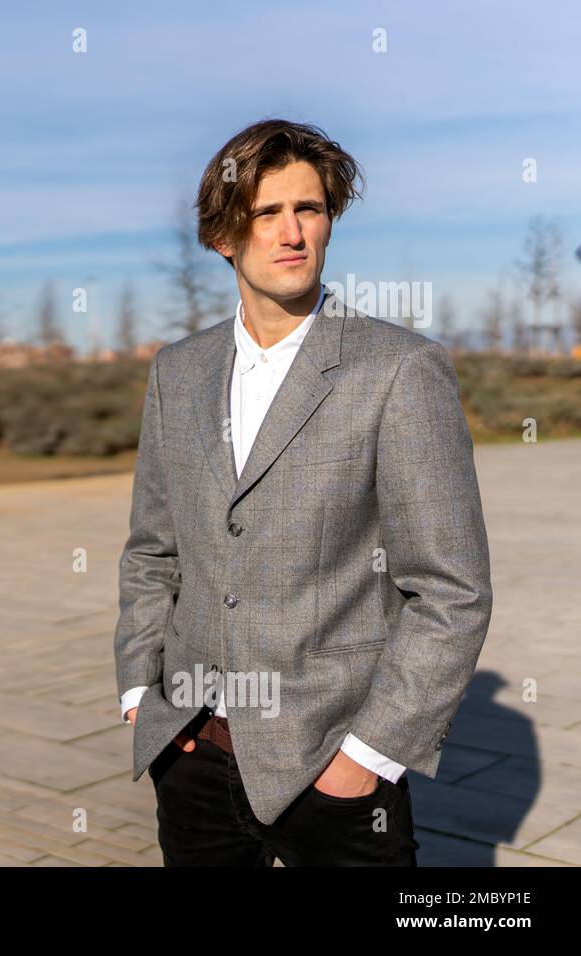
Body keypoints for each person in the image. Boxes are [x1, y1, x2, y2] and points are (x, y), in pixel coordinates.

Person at [113, 118, 493, 866]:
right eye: (266, 213)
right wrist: (140, 699)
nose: (293, 233)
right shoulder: (177, 373)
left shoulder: (398, 370)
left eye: (310, 210)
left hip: (334, 772)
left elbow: (451, 591)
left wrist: (368, 757)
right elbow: (152, 551)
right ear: (224, 236)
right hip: (191, 756)